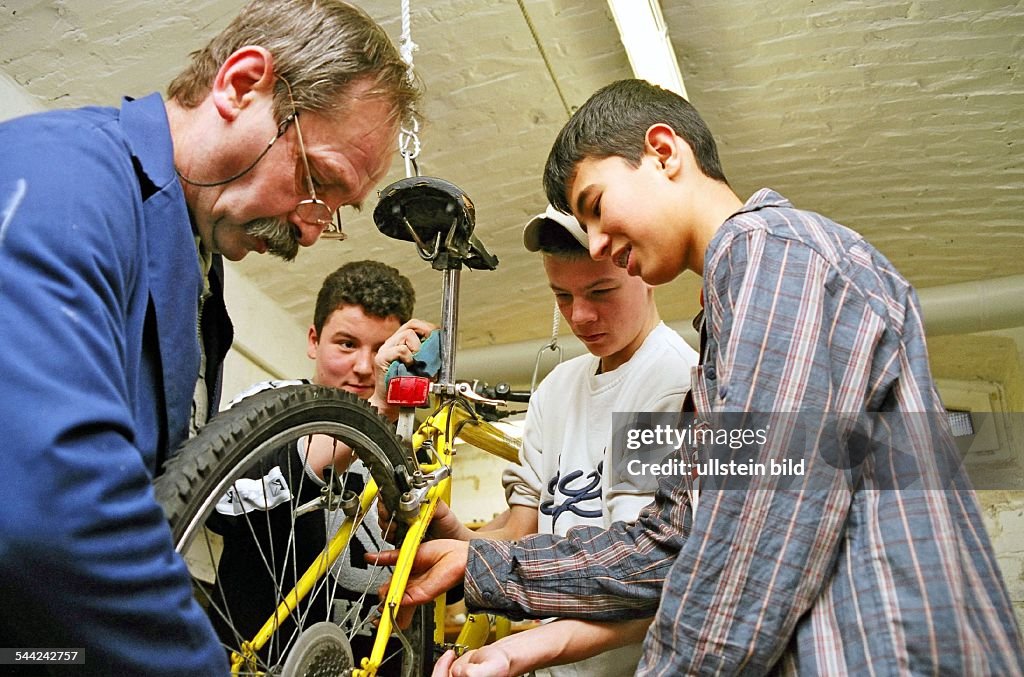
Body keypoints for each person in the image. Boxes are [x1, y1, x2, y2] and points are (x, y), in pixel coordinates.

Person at [379, 79, 1024, 675]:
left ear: (664, 152)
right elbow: (673, 541)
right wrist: (483, 562)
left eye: (597, 206)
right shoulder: (725, 333)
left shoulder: (774, 255)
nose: (597, 242)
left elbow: (754, 538)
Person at [0, 1, 418, 674]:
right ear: (240, 84)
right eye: (317, 182)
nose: (312, 230)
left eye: (334, 213)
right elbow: (51, 508)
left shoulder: (195, 262)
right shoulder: (69, 186)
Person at [422, 206, 697, 676]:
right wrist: (457, 541)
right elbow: (520, 536)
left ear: (645, 272)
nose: (581, 316)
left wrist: (516, 653)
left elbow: (641, 581)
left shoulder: (671, 381)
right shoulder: (558, 386)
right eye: (562, 296)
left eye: (600, 291)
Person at [210, 260, 431, 674]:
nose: (367, 367)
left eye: (384, 350)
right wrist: (374, 410)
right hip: (259, 660)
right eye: (347, 344)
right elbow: (224, 504)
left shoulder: (411, 444)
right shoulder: (271, 403)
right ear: (313, 340)